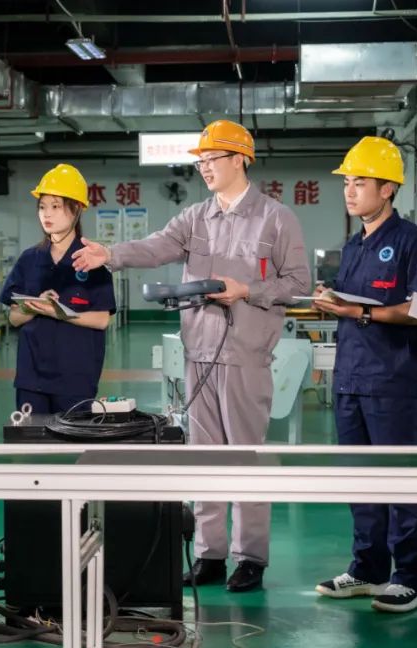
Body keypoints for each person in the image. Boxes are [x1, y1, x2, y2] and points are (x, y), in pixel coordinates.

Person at [72, 119, 310, 592]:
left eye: (212, 159)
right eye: (200, 161)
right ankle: (209, 554)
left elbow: (299, 283)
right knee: (203, 458)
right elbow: (157, 246)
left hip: (246, 356)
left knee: (244, 459)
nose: (204, 168)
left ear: (240, 159)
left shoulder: (276, 218)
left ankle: (251, 557)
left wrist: (248, 290)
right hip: (198, 353)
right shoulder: (196, 217)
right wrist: (111, 255)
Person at [312, 136, 417, 613]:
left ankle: (410, 578)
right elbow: (352, 306)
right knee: (360, 478)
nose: (349, 190)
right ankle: (368, 569)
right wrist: (332, 302)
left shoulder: (414, 243)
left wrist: (361, 313)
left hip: (393, 381)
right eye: (346, 182)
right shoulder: (354, 245)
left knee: (402, 480)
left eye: (359, 182)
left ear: (388, 188)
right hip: (351, 378)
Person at [0, 164, 116, 412]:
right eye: (42, 207)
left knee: (74, 436)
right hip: (32, 378)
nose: (46, 214)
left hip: (76, 378)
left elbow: (102, 319)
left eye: (55, 206)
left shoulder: (92, 260)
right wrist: (36, 307)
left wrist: (59, 312)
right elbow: (13, 318)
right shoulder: (29, 259)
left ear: (77, 209)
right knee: (31, 436)